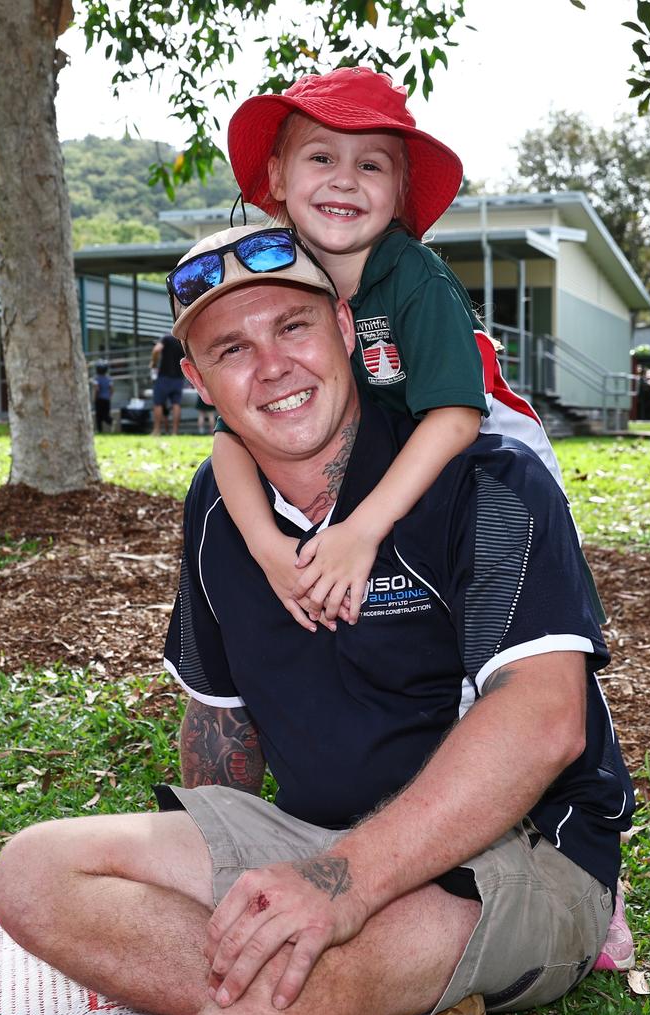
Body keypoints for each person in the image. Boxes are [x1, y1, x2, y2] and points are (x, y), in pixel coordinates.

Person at [0, 226, 635, 1015]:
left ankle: (287, 997)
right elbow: (219, 718)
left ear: (342, 326)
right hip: (312, 837)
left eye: (292, 326)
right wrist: (214, 864)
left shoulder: (490, 479)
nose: (271, 367)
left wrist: (341, 883)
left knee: (293, 992)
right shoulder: (220, 508)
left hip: (515, 855)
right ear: (198, 381)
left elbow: (543, 724)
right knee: (31, 873)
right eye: (231, 348)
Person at [213, 66, 581, 634]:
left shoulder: (415, 276)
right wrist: (268, 551)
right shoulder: (278, 280)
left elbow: (456, 418)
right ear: (278, 177)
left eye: (370, 164)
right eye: (320, 158)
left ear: (397, 192)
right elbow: (229, 443)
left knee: (501, 616)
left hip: (486, 457)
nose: (344, 180)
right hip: (395, 462)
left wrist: (360, 531)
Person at [151, 331, 185, 435]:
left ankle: (157, 430)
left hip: (164, 377)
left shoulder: (166, 338)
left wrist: (154, 363)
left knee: (158, 403)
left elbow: (156, 350)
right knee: (176, 404)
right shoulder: (182, 341)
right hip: (179, 378)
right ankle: (175, 432)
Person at [91, 358, 113, 433]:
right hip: (107, 399)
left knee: (99, 416)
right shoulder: (109, 378)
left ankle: (100, 430)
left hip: (99, 399)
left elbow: (97, 389)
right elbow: (111, 389)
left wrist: (94, 398)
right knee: (106, 414)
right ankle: (111, 421)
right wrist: (109, 396)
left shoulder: (96, 379)